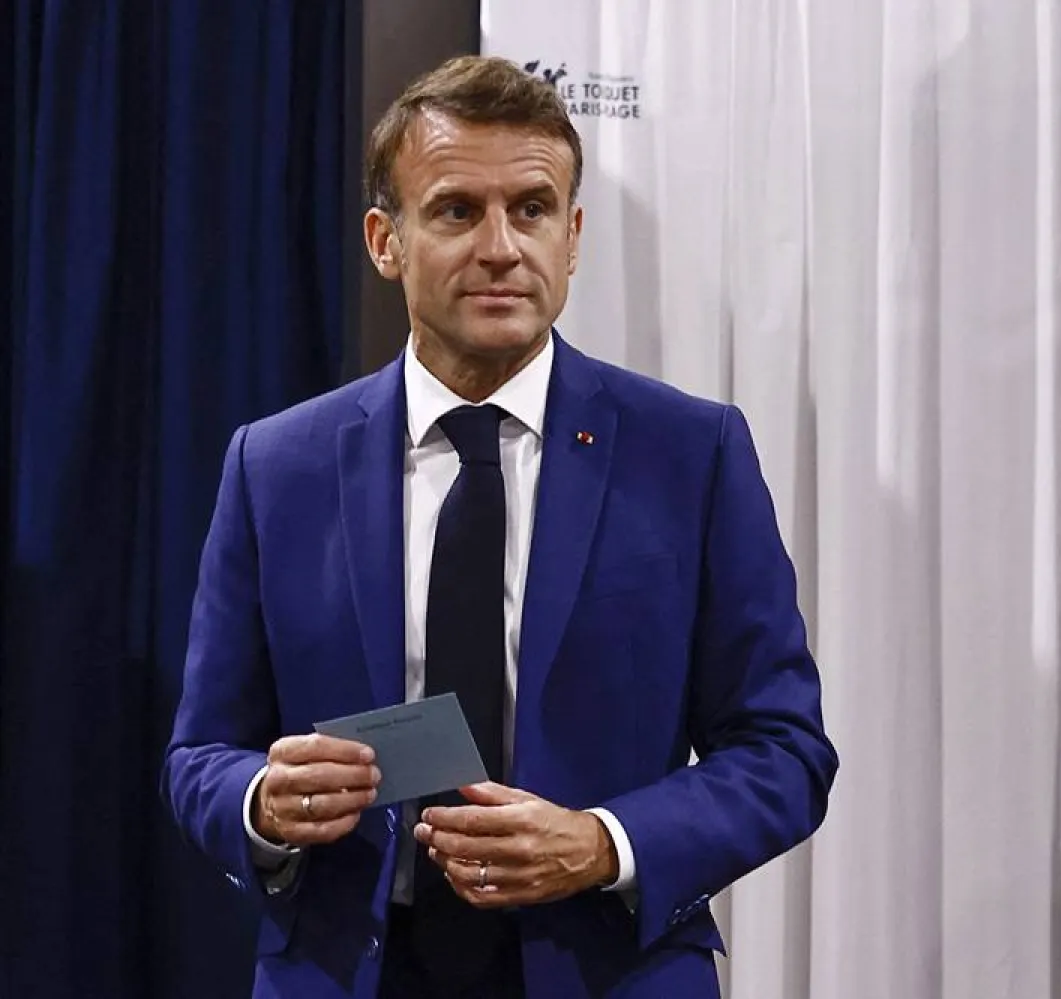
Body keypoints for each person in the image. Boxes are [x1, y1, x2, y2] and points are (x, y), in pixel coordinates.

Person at [162, 55, 837, 999]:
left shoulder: (693, 454)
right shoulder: (276, 466)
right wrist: (262, 803)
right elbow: (201, 754)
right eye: (454, 211)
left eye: (530, 209)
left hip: (606, 967)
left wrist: (604, 843)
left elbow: (784, 751)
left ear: (573, 236)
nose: (500, 246)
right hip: (349, 970)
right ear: (383, 240)